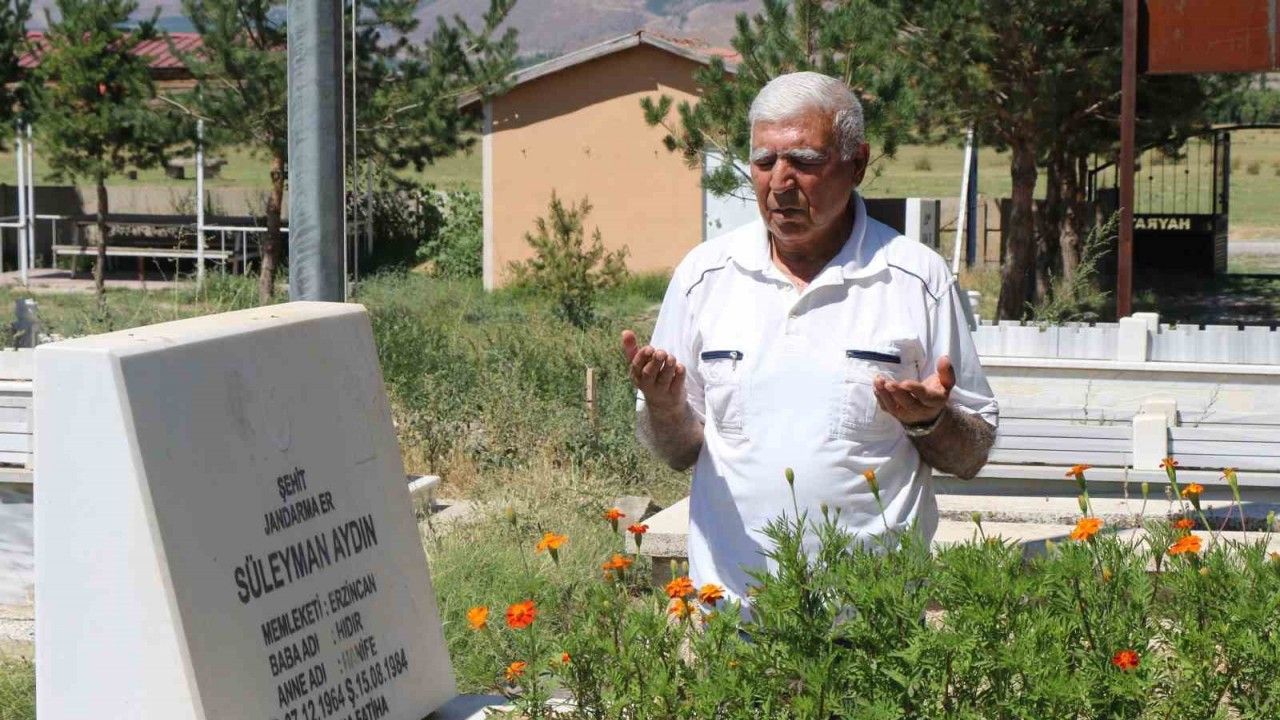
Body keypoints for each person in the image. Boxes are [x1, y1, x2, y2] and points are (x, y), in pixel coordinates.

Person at [621, 71, 998, 607]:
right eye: (764, 161)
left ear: (857, 162)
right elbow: (679, 452)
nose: (780, 182)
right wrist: (664, 406)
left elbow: (971, 454)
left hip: (873, 618)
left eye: (805, 160)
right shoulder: (705, 277)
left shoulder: (916, 279)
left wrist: (929, 421)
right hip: (733, 615)